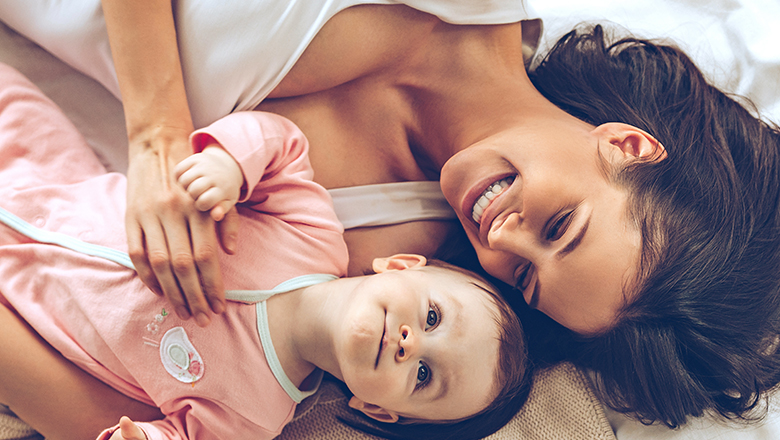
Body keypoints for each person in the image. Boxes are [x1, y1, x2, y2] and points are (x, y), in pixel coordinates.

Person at [1, 0, 779, 431]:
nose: (500, 239)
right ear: (628, 144)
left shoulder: (372, 249)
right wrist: (158, 136)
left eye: (525, 279)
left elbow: (141, 380)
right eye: (560, 227)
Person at [0, 63, 530, 440]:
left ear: (378, 409)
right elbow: (282, 144)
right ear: (402, 265)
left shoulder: (252, 420)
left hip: (24, 303)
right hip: (44, 170)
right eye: (433, 316)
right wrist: (230, 166)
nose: (411, 346)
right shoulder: (314, 237)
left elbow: (179, 433)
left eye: (422, 378)